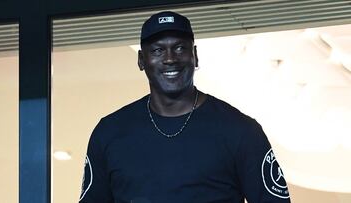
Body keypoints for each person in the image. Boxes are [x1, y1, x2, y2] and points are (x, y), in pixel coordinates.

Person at [79, 11, 291, 203]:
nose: (170, 59)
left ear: (195, 56)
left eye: (180, 48)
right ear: (142, 60)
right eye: (158, 50)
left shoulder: (240, 131)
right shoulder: (109, 133)